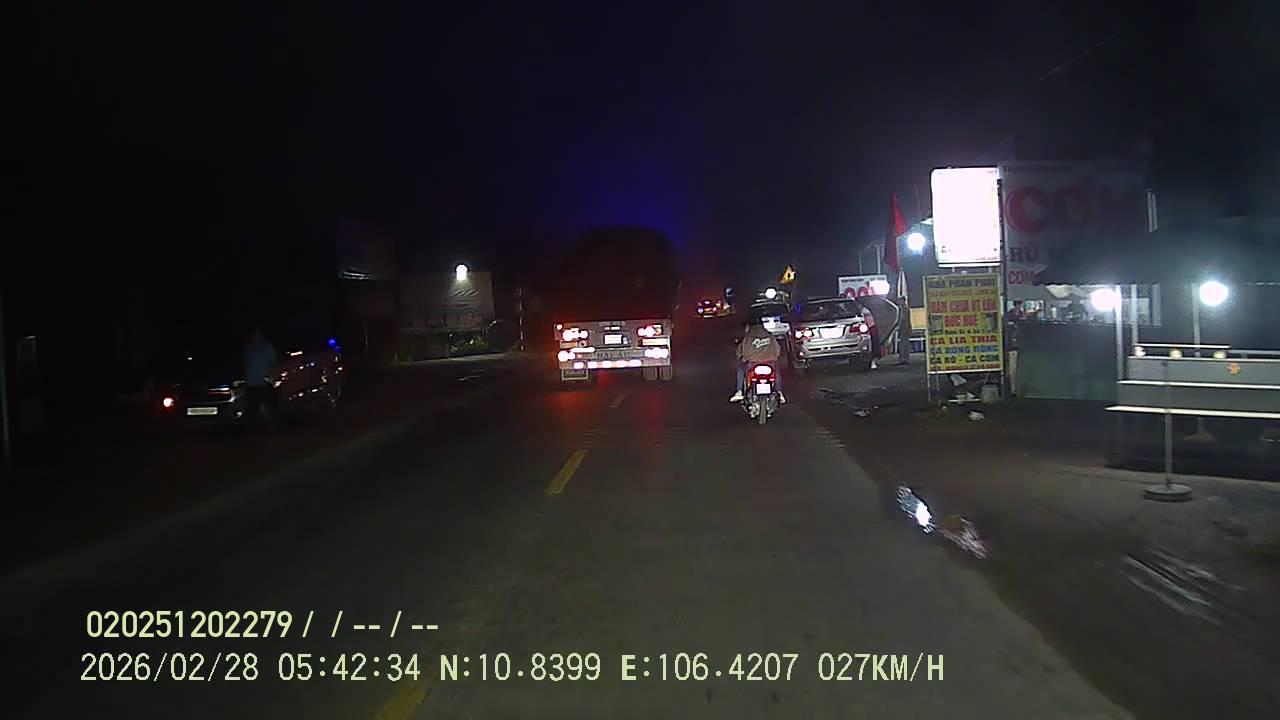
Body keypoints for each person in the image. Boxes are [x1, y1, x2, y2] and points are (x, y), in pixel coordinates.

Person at [730, 320, 784, 404]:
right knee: (776, 371)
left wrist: (742, 357)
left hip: (752, 363)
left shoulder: (748, 338)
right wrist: (774, 357)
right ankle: (779, 392)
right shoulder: (770, 336)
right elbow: (777, 350)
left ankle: (739, 391)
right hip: (770, 363)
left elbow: (741, 351)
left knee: (740, 368)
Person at [242, 325, 279, 425]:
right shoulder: (248, 348)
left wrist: (269, 378)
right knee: (251, 412)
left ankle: (272, 427)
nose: (254, 336)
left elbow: (273, 364)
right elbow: (246, 365)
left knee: (270, 411)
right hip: (251, 385)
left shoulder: (267, 347)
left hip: (263, 384)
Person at [861, 303, 880, 370]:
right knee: (872, 346)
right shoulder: (865, 310)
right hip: (868, 329)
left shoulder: (864, 310)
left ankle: (873, 361)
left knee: (873, 346)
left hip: (870, 328)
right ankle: (873, 362)